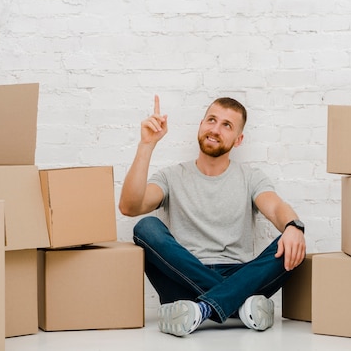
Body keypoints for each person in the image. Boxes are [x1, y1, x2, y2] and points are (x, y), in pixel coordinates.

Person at [119, 95, 306, 337]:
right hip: (181, 278)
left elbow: (276, 207)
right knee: (146, 227)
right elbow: (129, 207)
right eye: (211, 120)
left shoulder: (250, 177)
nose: (215, 129)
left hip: (238, 275)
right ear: (201, 124)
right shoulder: (171, 176)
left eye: (227, 125)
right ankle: (238, 306)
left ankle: (202, 308)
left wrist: (293, 226)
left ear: (238, 140)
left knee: (292, 244)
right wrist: (147, 145)